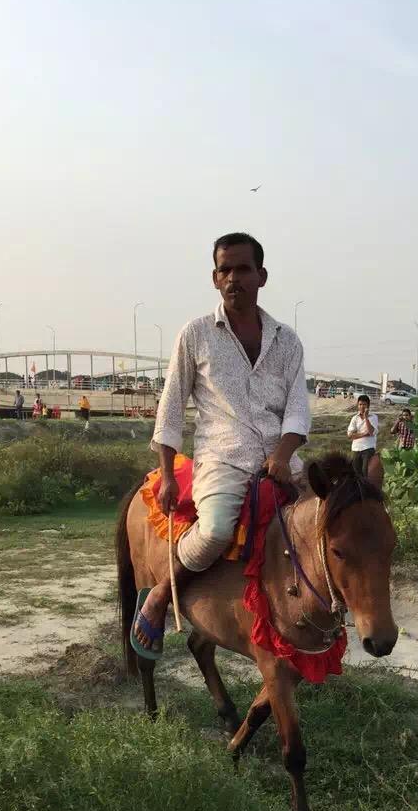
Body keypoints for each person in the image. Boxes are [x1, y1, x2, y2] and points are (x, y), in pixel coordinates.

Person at [132, 230, 310, 655]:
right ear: (214, 279)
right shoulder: (195, 334)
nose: (234, 278)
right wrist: (169, 474)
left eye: (243, 269)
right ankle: (159, 594)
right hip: (221, 458)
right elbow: (171, 406)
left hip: (280, 459)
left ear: (262, 276)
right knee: (213, 531)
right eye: (224, 270)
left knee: (323, 526)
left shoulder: (287, 341)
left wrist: (283, 455)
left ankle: (322, 618)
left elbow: (298, 411)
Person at [347, 394, 378, 477]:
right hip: (356, 448)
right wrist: (364, 434)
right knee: (355, 473)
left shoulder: (373, 417)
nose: (362, 407)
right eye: (360, 404)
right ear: (357, 405)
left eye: (364, 404)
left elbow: (371, 432)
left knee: (365, 472)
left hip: (368, 448)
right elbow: (350, 435)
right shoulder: (354, 418)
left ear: (368, 405)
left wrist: (366, 418)